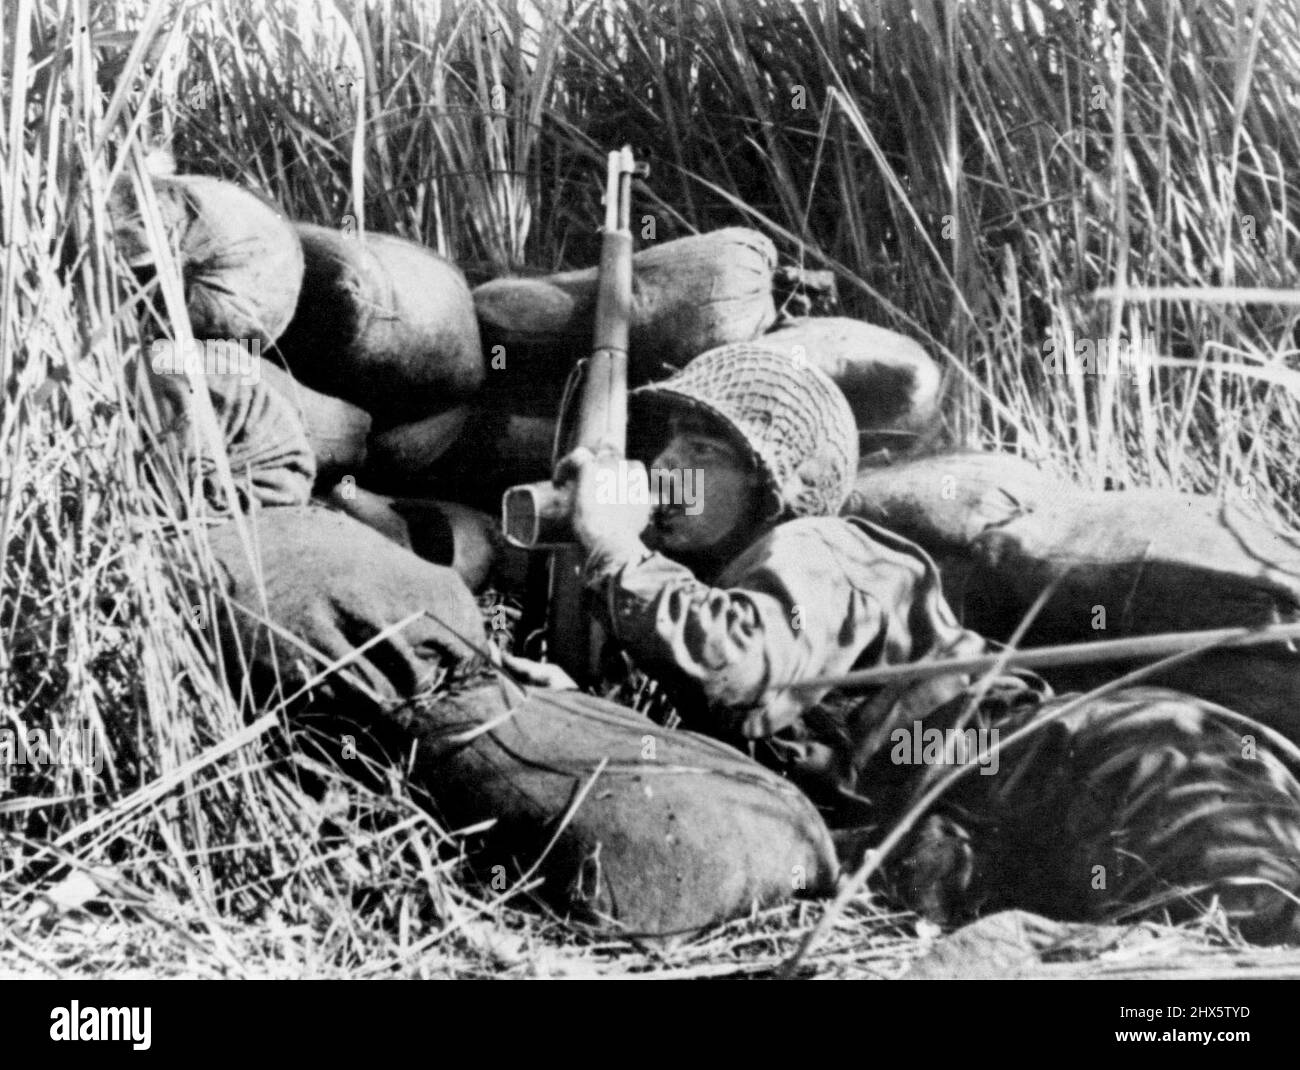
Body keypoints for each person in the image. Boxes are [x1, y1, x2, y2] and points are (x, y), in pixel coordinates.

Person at [530, 341, 1300, 944]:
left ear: (778, 483)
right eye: (668, 445)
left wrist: (612, 547)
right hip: (1008, 816)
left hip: (1111, 764)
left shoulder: (814, 547)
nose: (667, 467)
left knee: (1232, 970)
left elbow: (736, 663)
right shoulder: (731, 588)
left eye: (705, 451)